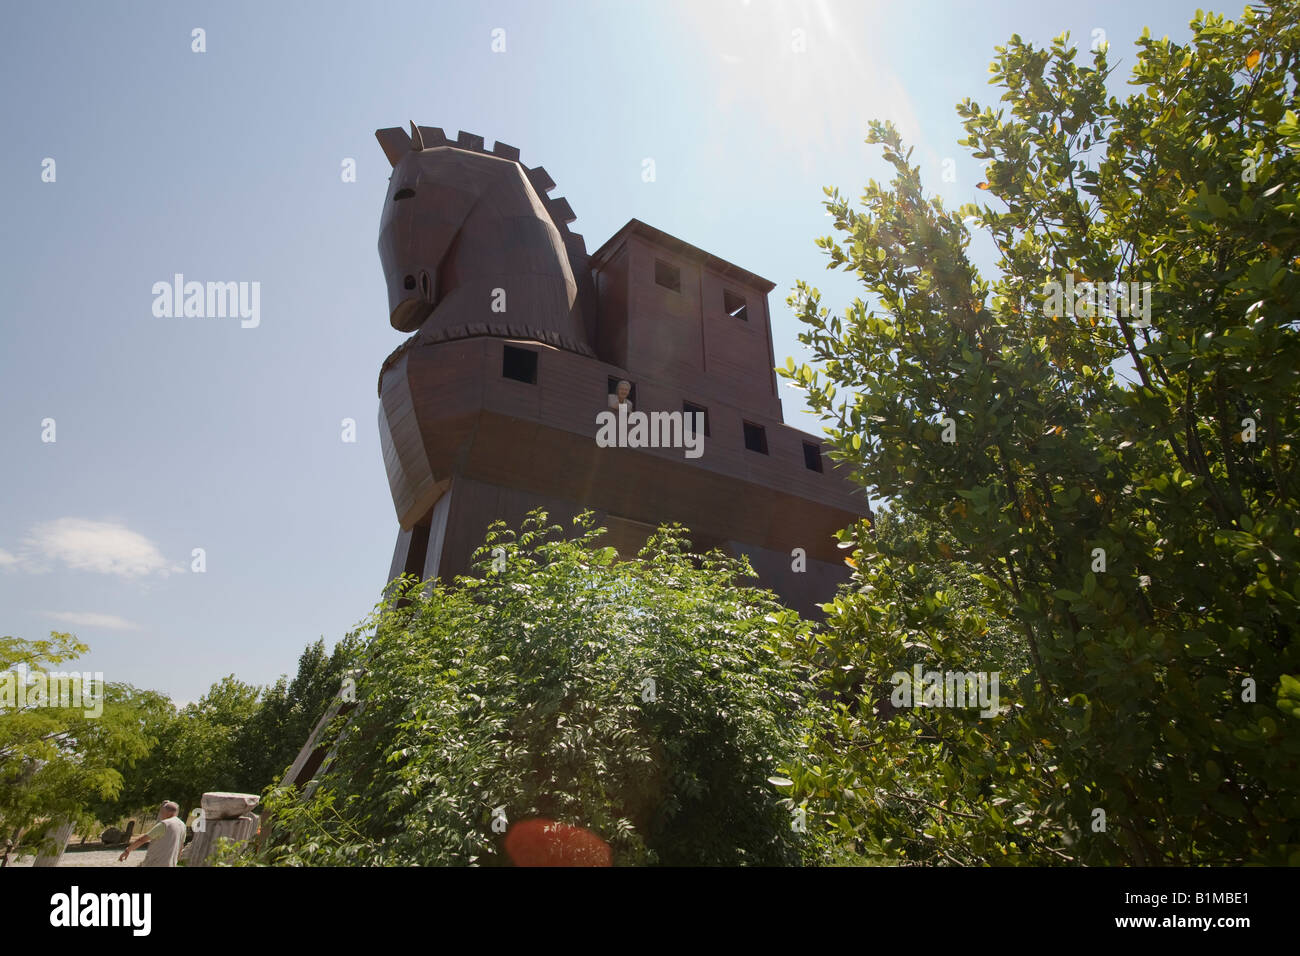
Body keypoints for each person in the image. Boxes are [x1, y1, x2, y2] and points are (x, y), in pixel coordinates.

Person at [118, 801, 186, 867]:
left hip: (155, 863)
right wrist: (176, 861)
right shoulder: (182, 825)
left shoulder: (164, 824)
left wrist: (127, 850)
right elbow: (181, 846)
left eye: (162, 812)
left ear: (168, 812)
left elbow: (142, 840)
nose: (161, 814)